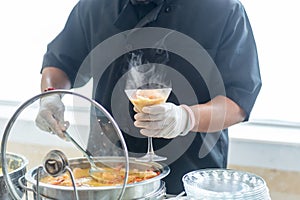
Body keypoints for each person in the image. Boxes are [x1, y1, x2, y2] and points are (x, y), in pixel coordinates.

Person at [35, 0, 262, 195]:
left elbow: (238, 101)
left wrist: (186, 118)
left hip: (190, 178)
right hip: (106, 172)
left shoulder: (222, 10)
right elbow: (60, 62)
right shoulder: (95, 6)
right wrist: (50, 97)